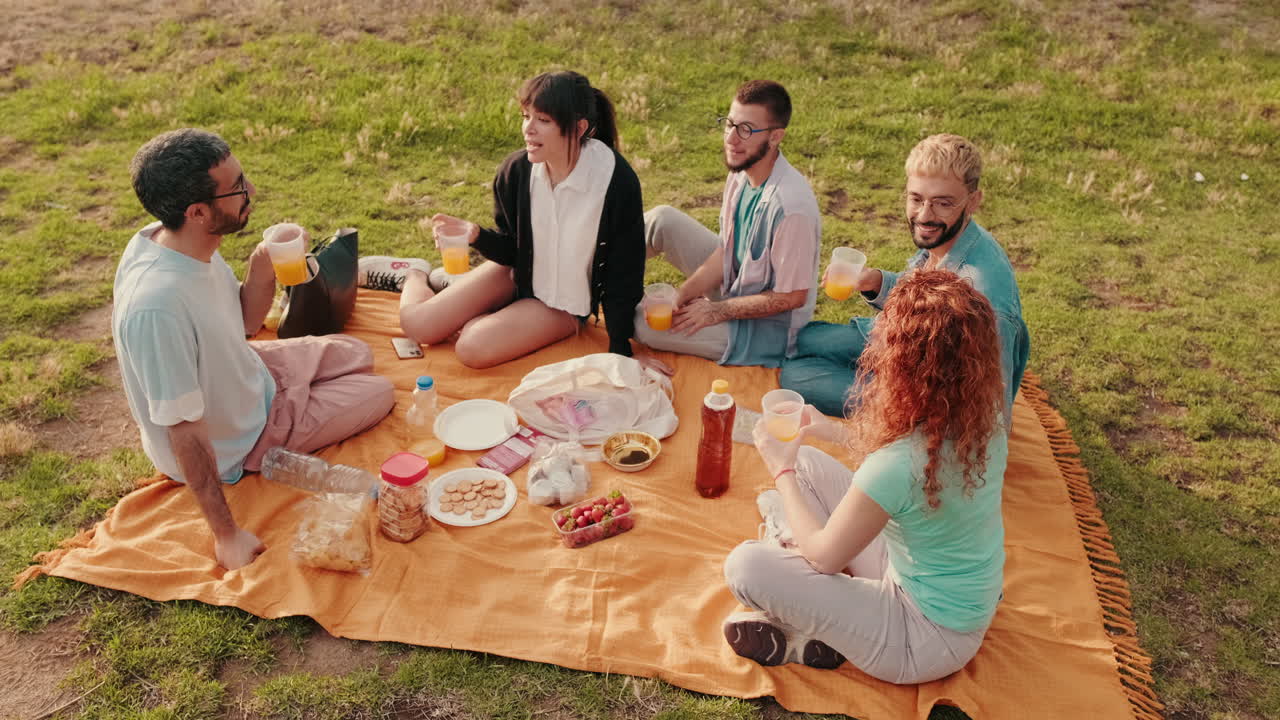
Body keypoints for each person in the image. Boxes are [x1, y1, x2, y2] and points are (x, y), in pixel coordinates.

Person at [113, 129, 395, 571]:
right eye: (239, 188)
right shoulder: (157, 308)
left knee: (357, 352)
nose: (253, 192)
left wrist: (263, 262)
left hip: (249, 370)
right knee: (379, 391)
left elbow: (244, 323)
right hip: (240, 436)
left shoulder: (175, 240)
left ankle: (294, 393)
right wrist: (227, 536)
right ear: (197, 212)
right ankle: (273, 432)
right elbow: (185, 431)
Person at [722, 269, 1008, 683]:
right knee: (808, 462)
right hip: (944, 592)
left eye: (884, 332)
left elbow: (825, 557)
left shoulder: (897, 465)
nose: (874, 338)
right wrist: (829, 430)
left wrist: (779, 468)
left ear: (907, 364)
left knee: (747, 567)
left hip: (923, 640)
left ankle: (805, 614)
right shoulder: (983, 421)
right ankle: (817, 614)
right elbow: (909, 471)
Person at [361, 71, 646, 368]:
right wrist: (476, 235)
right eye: (526, 116)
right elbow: (512, 249)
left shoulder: (614, 181)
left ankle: (465, 298)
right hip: (517, 274)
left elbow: (624, 271)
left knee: (471, 346)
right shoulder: (517, 171)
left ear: (579, 127)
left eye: (543, 120)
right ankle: (413, 274)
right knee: (418, 327)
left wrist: (621, 348)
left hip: (562, 305)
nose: (528, 129)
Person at [780, 133, 1029, 417]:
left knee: (796, 375)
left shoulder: (985, 298)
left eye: (943, 203)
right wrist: (875, 281)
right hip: (900, 342)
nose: (924, 215)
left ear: (973, 202)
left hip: (927, 391)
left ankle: (886, 399)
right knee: (805, 339)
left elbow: (991, 403)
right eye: (916, 199)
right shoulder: (949, 236)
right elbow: (923, 297)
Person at [634, 80, 820, 367]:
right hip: (735, 284)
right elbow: (725, 251)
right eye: (730, 124)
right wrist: (680, 296)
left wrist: (717, 311)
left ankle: (619, 310)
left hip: (766, 330)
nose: (731, 139)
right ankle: (586, 281)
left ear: (775, 137)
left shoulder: (792, 208)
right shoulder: (741, 173)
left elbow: (792, 297)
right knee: (661, 220)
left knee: (643, 325)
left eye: (746, 129)